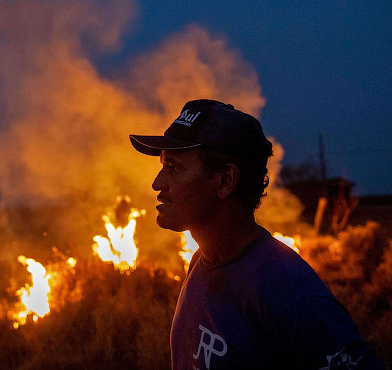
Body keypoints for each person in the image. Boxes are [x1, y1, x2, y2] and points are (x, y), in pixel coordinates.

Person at [129, 99, 386, 370]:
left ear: (225, 180)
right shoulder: (201, 263)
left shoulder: (288, 292)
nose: (157, 183)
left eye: (173, 167)